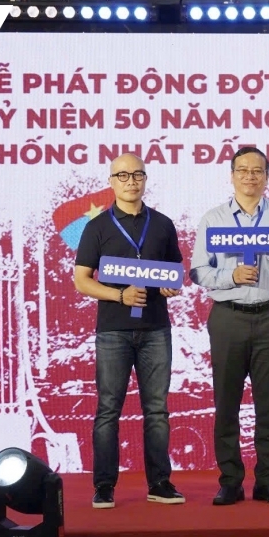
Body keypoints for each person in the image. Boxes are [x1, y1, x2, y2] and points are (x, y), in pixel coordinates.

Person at [190, 147, 269, 506]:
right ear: (232, 176)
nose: (250, 176)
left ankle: (268, 481)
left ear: (267, 176)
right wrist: (231, 275)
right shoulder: (213, 219)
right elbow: (198, 271)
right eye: (242, 170)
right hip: (228, 317)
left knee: (268, 404)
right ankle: (230, 481)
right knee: (226, 403)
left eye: (257, 171)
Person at [73, 153, 185, 509]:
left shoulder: (163, 224)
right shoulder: (96, 227)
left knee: (157, 410)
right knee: (108, 409)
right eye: (122, 175)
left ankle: (160, 483)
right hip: (113, 332)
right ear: (112, 182)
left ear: (145, 179)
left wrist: (170, 285)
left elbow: (174, 272)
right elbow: (81, 280)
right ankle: (104, 486)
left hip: (156, 330)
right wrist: (119, 295)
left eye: (137, 174)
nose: (131, 181)